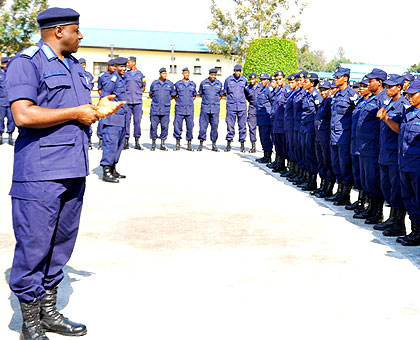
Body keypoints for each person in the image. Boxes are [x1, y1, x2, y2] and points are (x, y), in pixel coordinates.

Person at [5, 7, 124, 340]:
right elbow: (23, 115)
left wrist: (96, 110)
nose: (80, 36)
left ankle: (49, 312)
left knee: (60, 244)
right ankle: (30, 323)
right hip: (39, 172)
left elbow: (73, 116)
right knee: (34, 246)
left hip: (73, 168)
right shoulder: (27, 63)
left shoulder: (74, 67)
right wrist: (77, 111)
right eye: (76, 30)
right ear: (58, 31)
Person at [373, 74, 409, 236]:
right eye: (386, 87)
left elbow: (400, 129)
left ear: (399, 88)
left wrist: (386, 118)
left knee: (396, 188)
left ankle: (399, 223)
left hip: (395, 153)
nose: (387, 89)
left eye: (391, 87)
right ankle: (391, 218)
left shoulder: (403, 105)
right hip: (384, 152)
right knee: (386, 186)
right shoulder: (388, 103)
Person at [353, 68, 389, 224]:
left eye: (370, 81)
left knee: (374, 179)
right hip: (364, 145)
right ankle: (370, 208)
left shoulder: (383, 99)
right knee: (367, 179)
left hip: (373, 147)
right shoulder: (370, 98)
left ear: (379, 82)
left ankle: (377, 211)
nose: (368, 83)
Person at [327, 67, 358, 205]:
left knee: (345, 165)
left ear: (345, 78)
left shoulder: (352, 94)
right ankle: (339, 191)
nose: (335, 79)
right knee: (336, 164)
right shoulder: (337, 94)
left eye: (338, 77)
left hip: (344, 136)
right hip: (334, 134)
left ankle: (345, 195)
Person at [395, 79, 420, 246]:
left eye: (413, 94)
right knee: (408, 198)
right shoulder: (408, 112)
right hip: (404, 163)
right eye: (408, 94)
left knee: (418, 200)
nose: (409, 97)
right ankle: (414, 230)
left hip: (417, 166)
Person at [100, 57, 129, 183]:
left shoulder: (121, 80)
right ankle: (106, 171)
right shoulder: (112, 80)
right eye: (121, 66)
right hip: (112, 118)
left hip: (121, 117)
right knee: (110, 145)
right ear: (115, 67)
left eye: (125, 66)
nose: (123, 69)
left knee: (118, 145)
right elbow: (104, 97)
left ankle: (113, 168)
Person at [346, 76, 370, 211]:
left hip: (366, 145)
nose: (361, 88)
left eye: (364, 86)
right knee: (358, 173)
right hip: (356, 142)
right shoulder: (361, 101)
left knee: (368, 176)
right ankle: (360, 200)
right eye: (360, 86)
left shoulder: (375, 101)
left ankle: (367, 204)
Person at [299, 72, 322, 191]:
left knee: (310, 153)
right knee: (305, 152)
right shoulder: (307, 95)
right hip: (304, 126)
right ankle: (308, 179)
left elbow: (319, 112)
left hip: (311, 128)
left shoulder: (315, 95)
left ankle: (312, 181)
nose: (304, 83)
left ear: (312, 83)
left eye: (306, 81)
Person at [313, 79, 335, 198]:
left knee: (327, 162)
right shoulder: (323, 102)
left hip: (325, 136)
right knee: (321, 161)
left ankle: (328, 187)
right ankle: (322, 184)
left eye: (325, 90)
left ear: (330, 90)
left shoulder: (330, 102)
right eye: (321, 90)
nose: (322, 92)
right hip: (319, 136)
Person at [149, 67, 175, 151]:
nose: (165, 75)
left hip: (165, 109)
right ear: (160, 74)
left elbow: (173, 95)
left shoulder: (170, 84)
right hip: (155, 108)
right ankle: (153, 143)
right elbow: (151, 94)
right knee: (153, 126)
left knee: (165, 126)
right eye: (163, 73)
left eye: (165, 73)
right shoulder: (154, 83)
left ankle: (162, 144)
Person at [197, 68, 223, 151]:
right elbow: (200, 94)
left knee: (214, 127)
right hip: (205, 108)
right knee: (203, 127)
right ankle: (201, 143)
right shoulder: (204, 83)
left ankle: (214, 144)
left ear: (216, 75)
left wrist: (214, 102)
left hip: (215, 109)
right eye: (211, 74)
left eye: (214, 75)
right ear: (209, 74)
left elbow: (220, 95)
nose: (213, 76)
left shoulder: (219, 84)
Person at [224, 64, 247, 152]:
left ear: (241, 71)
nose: (238, 72)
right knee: (230, 125)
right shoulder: (228, 80)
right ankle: (229, 143)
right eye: (236, 71)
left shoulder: (244, 80)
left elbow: (246, 93)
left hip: (242, 106)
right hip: (231, 106)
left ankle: (242, 144)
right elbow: (225, 92)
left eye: (239, 71)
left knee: (242, 126)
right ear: (234, 71)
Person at [124, 56, 146, 150]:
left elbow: (144, 87)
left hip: (137, 101)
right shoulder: (125, 74)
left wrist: (138, 93)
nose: (128, 64)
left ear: (134, 63)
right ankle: (126, 142)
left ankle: (137, 141)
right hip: (128, 101)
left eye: (129, 62)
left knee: (137, 122)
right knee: (126, 122)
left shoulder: (140, 75)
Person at [173, 67, 197, 151]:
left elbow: (194, 96)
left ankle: (189, 144)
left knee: (190, 126)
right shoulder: (178, 84)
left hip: (189, 109)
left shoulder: (193, 84)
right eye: (185, 73)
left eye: (188, 73)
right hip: (179, 108)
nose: (187, 74)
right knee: (177, 126)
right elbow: (174, 95)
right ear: (182, 73)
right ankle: (177, 143)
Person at [282, 73, 299, 179]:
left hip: (294, 125)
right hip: (289, 125)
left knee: (295, 148)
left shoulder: (298, 93)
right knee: (290, 147)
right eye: (289, 82)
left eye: (292, 82)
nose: (290, 84)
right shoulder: (292, 94)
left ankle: (296, 171)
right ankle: (292, 169)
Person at [96, 59, 116, 149]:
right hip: (104, 102)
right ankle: (100, 140)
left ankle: (110, 141)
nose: (114, 68)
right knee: (102, 121)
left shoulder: (117, 76)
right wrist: (104, 99)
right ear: (109, 66)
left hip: (114, 102)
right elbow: (99, 89)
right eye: (112, 66)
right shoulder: (102, 76)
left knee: (112, 122)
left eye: (115, 66)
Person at [255, 73, 274, 163]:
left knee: (266, 137)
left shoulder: (269, 90)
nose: (262, 81)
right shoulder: (262, 90)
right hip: (261, 118)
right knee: (262, 137)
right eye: (261, 79)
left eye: (264, 79)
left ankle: (268, 156)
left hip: (267, 118)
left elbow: (272, 102)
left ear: (268, 80)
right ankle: (265, 154)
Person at [244, 72, 262, 153]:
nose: (251, 81)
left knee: (264, 128)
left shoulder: (261, 87)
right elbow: (247, 97)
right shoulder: (247, 88)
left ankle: (266, 147)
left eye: (253, 79)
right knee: (252, 127)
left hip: (261, 109)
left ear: (256, 79)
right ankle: (253, 145)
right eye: (250, 79)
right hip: (252, 108)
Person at [78, 58, 94, 149]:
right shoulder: (76, 74)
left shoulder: (89, 75)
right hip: (79, 99)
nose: (83, 66)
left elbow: (90, 86)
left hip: (87, 98)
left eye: (84, 64)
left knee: (89, 119)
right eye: (81, 64)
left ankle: (89, 139)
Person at [0, 56, 15, 145]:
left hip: (10, 101)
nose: (6, 65)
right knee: (0, 119)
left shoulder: (11, 73)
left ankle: (10, 137)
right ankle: (0, 136)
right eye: (5, 63)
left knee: (11, 120)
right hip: (1, 101)